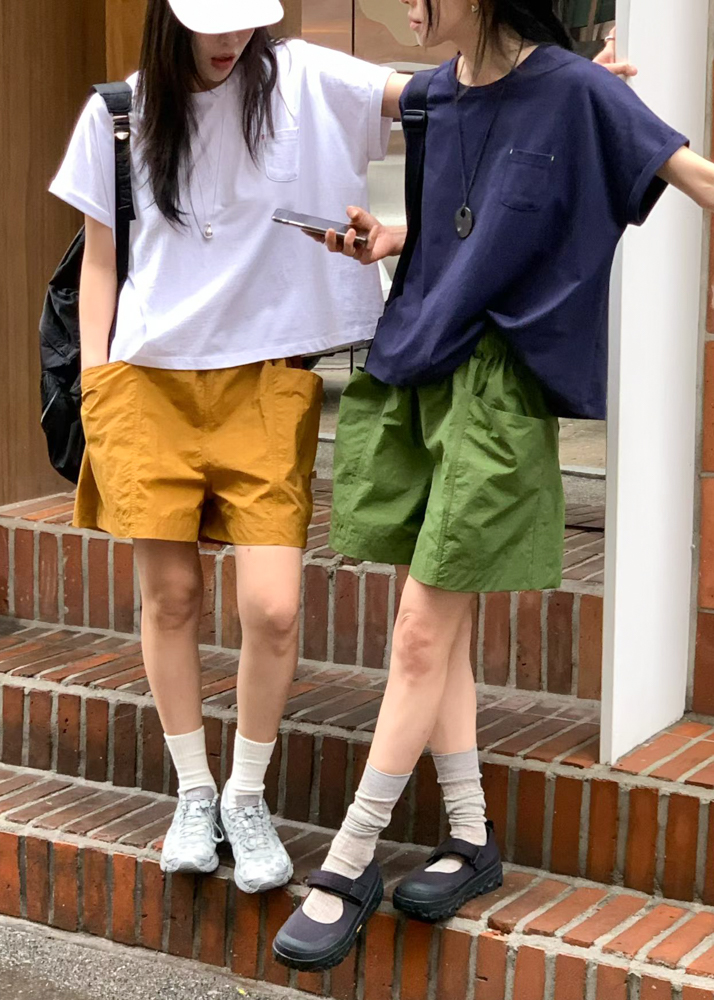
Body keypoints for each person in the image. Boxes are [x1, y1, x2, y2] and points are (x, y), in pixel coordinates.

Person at [274, 0, 714, 971]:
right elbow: (459, 217)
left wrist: (595, 92)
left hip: (499, 391)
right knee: (442, 629)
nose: (407, 7)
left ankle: (350, 860)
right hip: (418, 370)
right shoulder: (436, 98)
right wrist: (391, 238)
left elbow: (694, 178)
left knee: (418, 631)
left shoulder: (577, 91)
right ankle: (471, 836)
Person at [49, 0, 410, 893]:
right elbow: (101, 261)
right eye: (211, 21)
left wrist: (565, 88)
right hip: (147, 382)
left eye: (243, 19)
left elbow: (435, 97)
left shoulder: (303, 78)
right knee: (170, 597)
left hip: (263, 381)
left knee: (274, 606)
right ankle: (194, 792)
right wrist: (97, 385)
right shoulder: (118, 113)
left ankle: (247, 795)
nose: (229, 40)